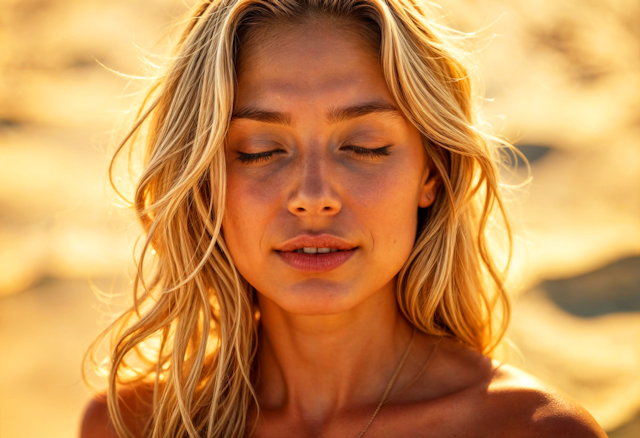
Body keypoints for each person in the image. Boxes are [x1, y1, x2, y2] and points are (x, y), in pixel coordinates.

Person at [80, 0, 608, 437]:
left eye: (364, 146)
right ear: (202, 184)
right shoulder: (131, 426)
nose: (314, 197)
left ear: (432, 173)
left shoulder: (530, 430)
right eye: (261, 150)